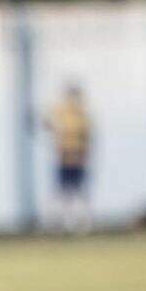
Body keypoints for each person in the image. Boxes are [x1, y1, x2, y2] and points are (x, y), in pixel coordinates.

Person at [45, 83, 92, 233]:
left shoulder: (82, 114)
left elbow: (86, 136)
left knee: (78, 193)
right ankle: (60, 223)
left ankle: (79, 224)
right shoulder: (61, 111)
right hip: (63, 157)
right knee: (62, 193)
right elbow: (48, 123)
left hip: (77, 158)